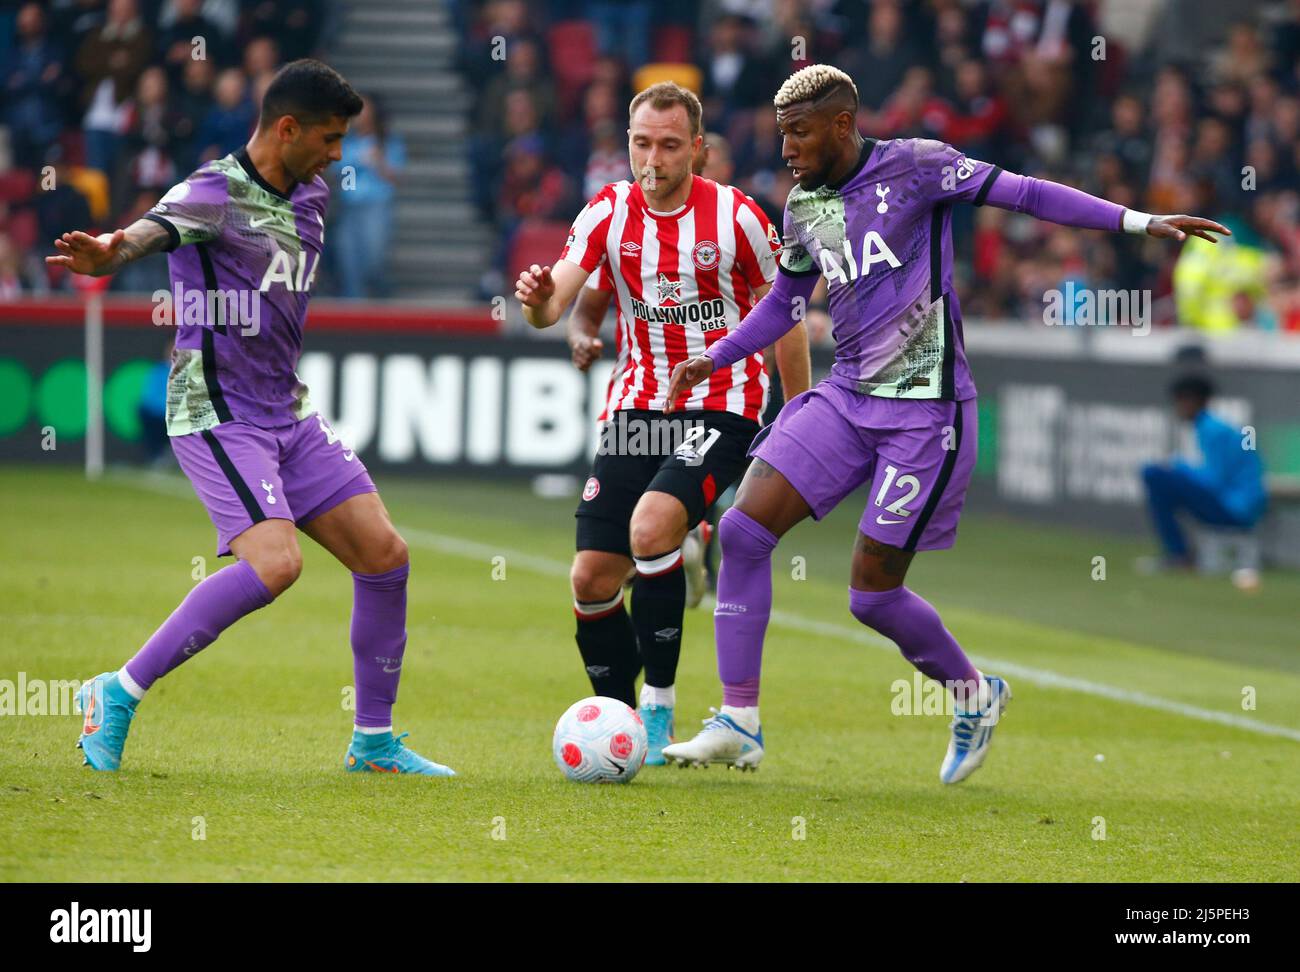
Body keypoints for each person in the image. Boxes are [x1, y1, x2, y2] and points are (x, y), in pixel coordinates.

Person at [661, 64, 1230, 783]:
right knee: (743, 532)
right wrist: (714, 357)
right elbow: (785, 306)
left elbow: (1025, 194)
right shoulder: (804, 203)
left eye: (798, 133)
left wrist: (1139, 221)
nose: (787, 151)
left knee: (870, 594)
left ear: (842, 124)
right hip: (847, 396)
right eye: (782, 136)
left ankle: (973, 694)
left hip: (925, 414)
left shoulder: (920, 167)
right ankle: (739, 719)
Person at [48, 59, 454, 777]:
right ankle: (116, 691)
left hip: (285, 412)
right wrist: (112, 253)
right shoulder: (212, 192)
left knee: (386, 557)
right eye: (329, 139)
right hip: (216, 410)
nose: (337, 155)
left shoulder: (315, 197)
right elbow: (146, 234)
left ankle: (374, 743)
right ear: (287, 128)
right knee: (277, 564)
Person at [515, 82, 811, 765]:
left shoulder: (737, 219)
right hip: (636, 405)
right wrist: (535, 305)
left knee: (650, 527)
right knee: (591, 579)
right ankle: (613, 724)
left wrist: (797, 416)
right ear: (627, 144)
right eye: (642, 143)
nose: (654, 158)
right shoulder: (608, 212)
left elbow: (787, 314)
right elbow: (558, 299)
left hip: (722, 402)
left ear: (698, 151)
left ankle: (657, 712)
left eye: (670, 145)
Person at [1141, 374, 1267, 569]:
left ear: (1191, 401)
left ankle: (1178, 554)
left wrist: (1178, 467)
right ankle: (1178, 553)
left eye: (1179, 402)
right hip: (1240, 505)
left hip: (1235, 509)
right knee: (1159, 477)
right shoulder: (1214, 427)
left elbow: (1215, 481)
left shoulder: (1213, 430)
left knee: (1154, 474)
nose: (1177, 409)